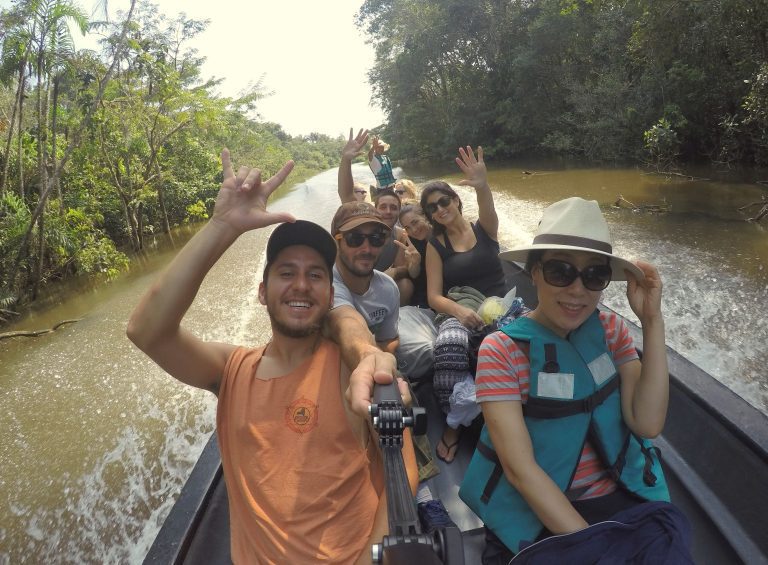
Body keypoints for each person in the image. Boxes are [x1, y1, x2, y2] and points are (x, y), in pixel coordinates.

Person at [127, 150, 417, 563]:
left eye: (315, 274)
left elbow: (400, 472)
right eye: (286, 273)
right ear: (262, 293)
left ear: (329, 293)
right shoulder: (231, 371)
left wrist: (375, 556)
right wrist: (222, 226)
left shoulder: (355, 373)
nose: (301, 284)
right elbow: (146, 330)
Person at [461, 197, 677, 563]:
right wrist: (593, 546)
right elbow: (520, 470)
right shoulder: (502, 350)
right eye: (560, 271)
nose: (578, 290)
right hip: (543, 516)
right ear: (533, 273)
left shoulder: (611, 330)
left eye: (594, 275)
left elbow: (648, 422)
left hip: (622, 497)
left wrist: (652, 321)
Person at [421, 146, 508, 463]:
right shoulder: (436, 245)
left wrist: (482, 184)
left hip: (499, 306)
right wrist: (459, 311)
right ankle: (454, 423)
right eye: (433, 207)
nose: (440, 208)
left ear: (456, 201)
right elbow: (433, 296)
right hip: (457, 309)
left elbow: (487, 207)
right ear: (431, 215)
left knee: (525, 341)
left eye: (444, 201)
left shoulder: (484, 229)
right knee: (449, 347)